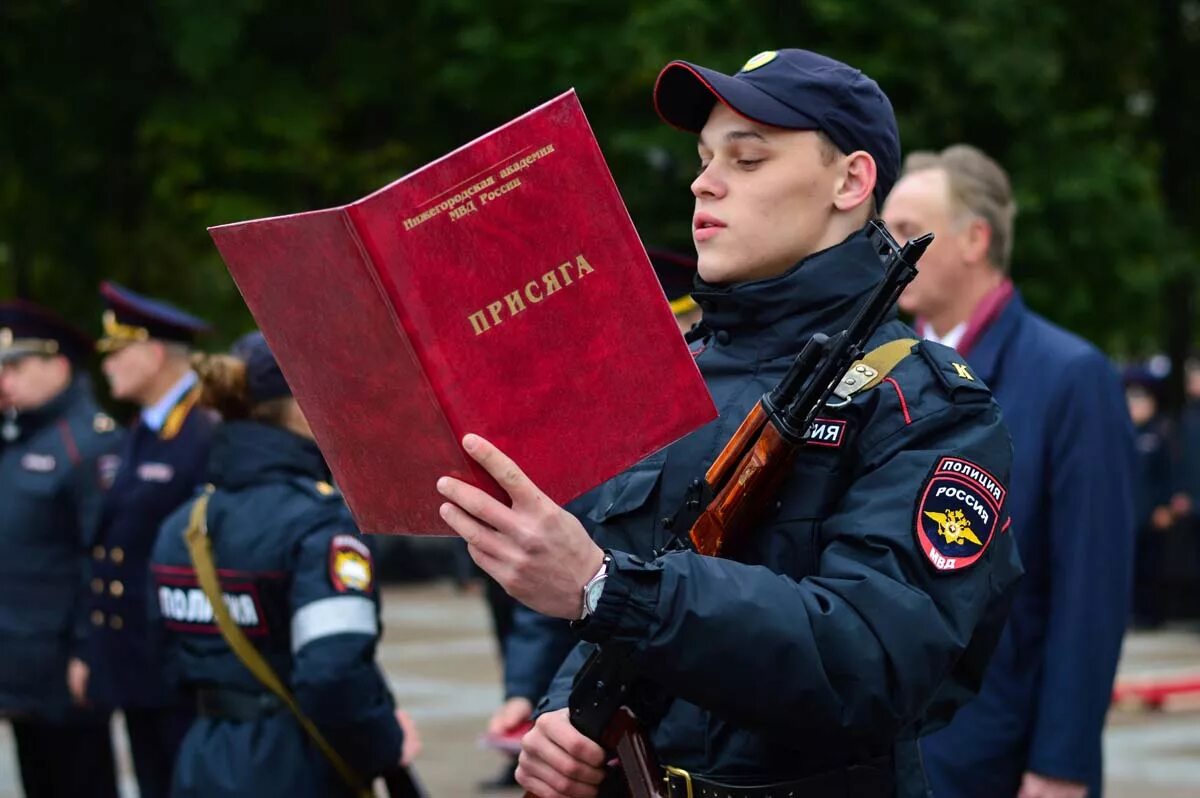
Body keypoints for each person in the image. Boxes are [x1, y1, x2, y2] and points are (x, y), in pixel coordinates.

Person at [437, 49, 1023, 798]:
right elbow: (627, 598)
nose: (704, 180)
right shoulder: (673, 376)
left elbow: (873, 662)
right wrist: (567, 718)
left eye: (746, 160)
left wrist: (601, 585)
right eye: (705, 156)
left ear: (851, 181)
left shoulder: (922, 401)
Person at [881, 144, 1136, 798]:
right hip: (888, 755)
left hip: (997, 756)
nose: (887, 246)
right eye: (884, 229)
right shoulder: (881, 372)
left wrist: (1061, 765)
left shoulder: (1070, 377)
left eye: (908, 230)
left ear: (975, 240)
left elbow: (1090, 590)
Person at [149, 332, 419, 797]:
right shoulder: (320, 526)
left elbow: (159, 660)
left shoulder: (182, 525)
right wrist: (384, 746)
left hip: (201, 763)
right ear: (299, 408)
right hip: (299, 767)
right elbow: (332, 673)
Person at [79, 281, 218, 798]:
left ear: (155, 353)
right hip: (137, 664)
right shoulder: (144, 429)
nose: (107, 366)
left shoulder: (206, 427)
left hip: (183, 668)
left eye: (118, 353)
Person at [0, 301, 122, 798]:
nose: (4, 380)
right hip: (21, 659)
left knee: (80, 781)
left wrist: (88, 651)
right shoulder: (16, 436)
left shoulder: (88, 445)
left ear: (59, 364)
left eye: (15, 366)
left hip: (65, 664)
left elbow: (103, 555)